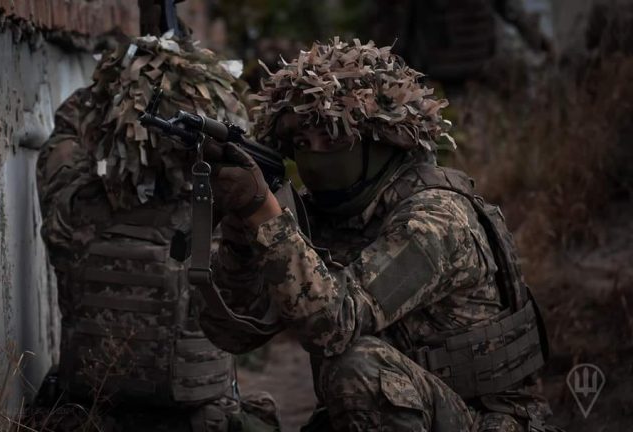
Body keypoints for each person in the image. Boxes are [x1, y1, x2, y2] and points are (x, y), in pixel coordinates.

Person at [199, 38, 559, 431]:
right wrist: (240, 228)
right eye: (302, 144)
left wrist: (262, 213)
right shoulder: (324, 211)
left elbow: (334, 325)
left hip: (488, 418)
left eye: (334, 140)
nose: (316, 156)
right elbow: (232, 333)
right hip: (394, 411)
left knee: (358, 367)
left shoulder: (436, 217)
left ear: (383, 140)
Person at [33, 34, 280, 432]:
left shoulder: (78, 212)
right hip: (200, 420)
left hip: (97, 417)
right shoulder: (226, 222)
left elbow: (66, 136)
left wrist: (123, 82)